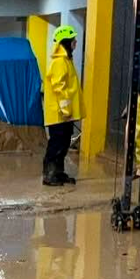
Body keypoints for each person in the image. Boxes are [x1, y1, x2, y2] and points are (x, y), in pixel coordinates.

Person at [42, 26, 85, 186]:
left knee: (64, 142)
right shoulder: (59, 62)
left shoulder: (66, 60)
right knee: (57, 143)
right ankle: (49, 174)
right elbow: (59, 87)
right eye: (73, 39)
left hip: (65, 113)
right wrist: (66, 108)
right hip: (59, 113)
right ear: (66, 42)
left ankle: (58, 172)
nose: (75, 42)